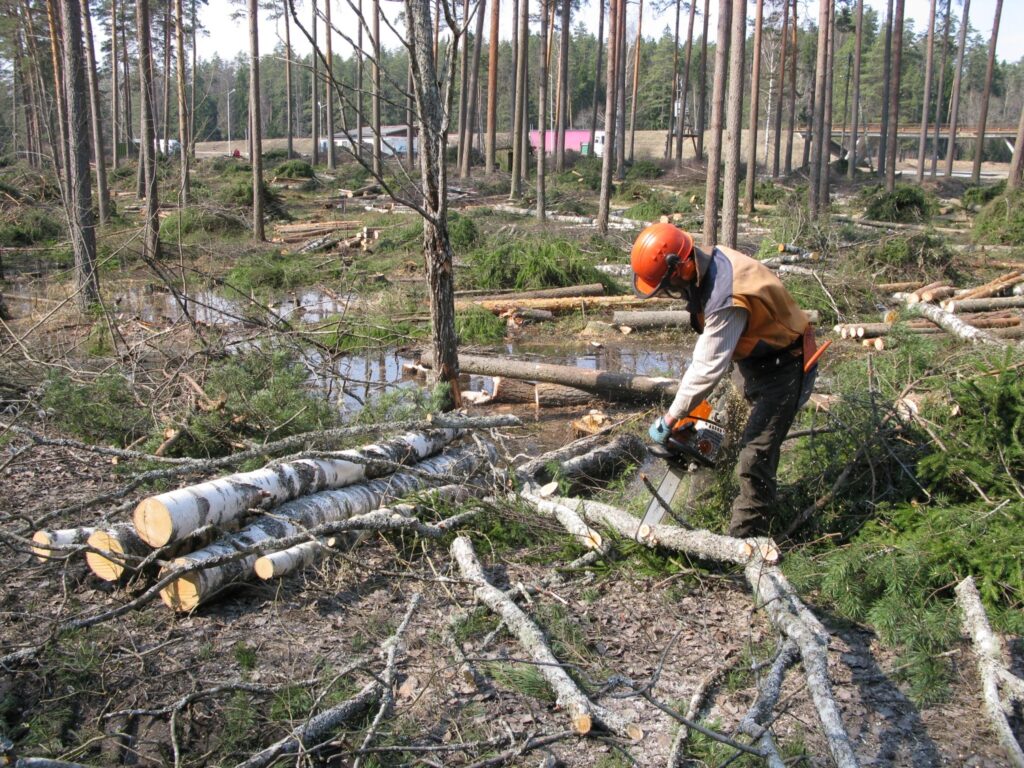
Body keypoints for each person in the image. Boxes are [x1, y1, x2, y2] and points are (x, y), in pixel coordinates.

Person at [630, 222, 817, 539]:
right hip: (752, 362)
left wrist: (672, 417)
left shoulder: (726, 295)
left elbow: (707, 367)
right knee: (716, 438)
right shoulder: (703, 268)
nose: (670, 294)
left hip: (785, 367)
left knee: (754, 455)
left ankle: (743, 541)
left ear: (680, 267)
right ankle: (707, 504)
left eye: (668, 287)